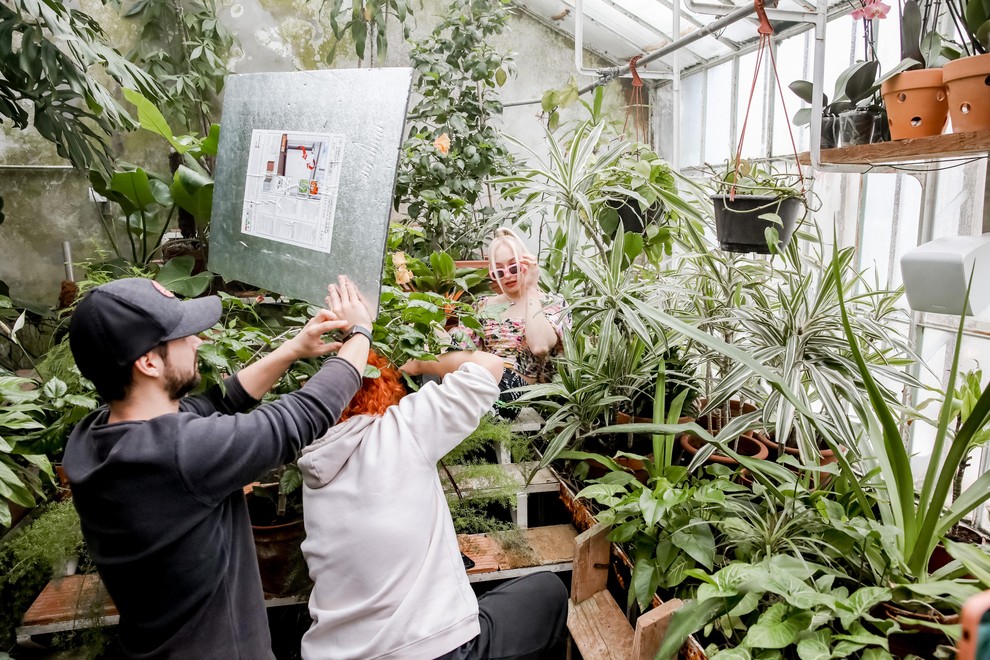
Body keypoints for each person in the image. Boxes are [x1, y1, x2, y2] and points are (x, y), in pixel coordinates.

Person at [63, 275, 374, 659]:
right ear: (147, 362)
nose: (197, 341)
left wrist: (291, 350)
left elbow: (219, 401)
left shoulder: (95, 438)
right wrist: (361, 331)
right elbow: (303, 415)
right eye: (182, 336)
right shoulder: (178, 453)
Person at [298, 350, 568, 660]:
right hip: (423, 651)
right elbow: (489, 366)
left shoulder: (313, 462)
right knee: (550, 591)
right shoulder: (401, 429)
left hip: (332, 652)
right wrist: (420, 362)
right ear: (383, 387)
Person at [450, 227, 569, 416]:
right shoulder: (482, 306)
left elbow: (540, 347)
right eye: (499, 270)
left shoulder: (552, 303)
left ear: (527, 264)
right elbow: (458, 352)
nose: (507, 275)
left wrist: (531, 288)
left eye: (514, 267)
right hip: (481, 383)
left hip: (520, 393)